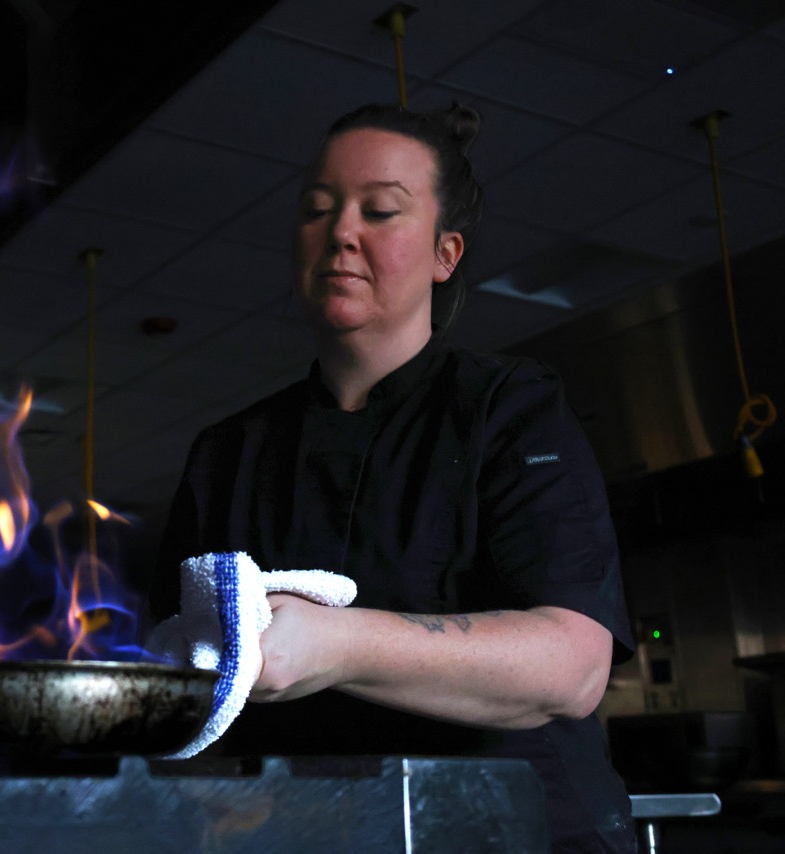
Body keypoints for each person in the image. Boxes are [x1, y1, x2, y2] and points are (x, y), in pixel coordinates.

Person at [149, 103, 637, 853]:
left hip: (517, 834)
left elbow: (572, 667)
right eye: (318, 210)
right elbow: (177, 670)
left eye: (380, 211)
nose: (341, 232)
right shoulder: (228, 452)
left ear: (446, 253)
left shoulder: (511, 410)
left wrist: (336, 643)